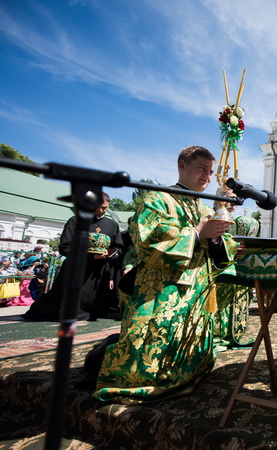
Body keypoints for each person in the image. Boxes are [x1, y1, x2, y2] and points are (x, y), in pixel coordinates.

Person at [95, 146, 237, 404]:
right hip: (162, 289)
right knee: (153, 343)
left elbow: (217, 249)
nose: (207, 176)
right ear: (182, 166)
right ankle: (147, 379)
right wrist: (195, 233)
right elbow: (146, 239)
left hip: (197, 288)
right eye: (201, 169)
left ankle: (188, 373)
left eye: (211, 171)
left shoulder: (204, 208)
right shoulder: (159, 198)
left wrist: (216, 239)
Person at [22, 193, 123, 321]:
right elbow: (65, 247)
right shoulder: (75, 221)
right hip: (78, 269)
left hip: (100, 272)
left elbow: (118, 247)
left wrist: (110, 254)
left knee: (98, 304)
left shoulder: (112, 225)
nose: (102, 210)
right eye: (100, 207)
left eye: (105, 207)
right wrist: (91, 256)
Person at [213, 187, 258, 350]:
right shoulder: (212, 216)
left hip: (235, 268)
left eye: (236, 199)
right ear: (219, 199)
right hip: (216, 269)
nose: (234, 202)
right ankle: (216, 333)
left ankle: (231, 333)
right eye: (231, 198)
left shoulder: (238, 220)